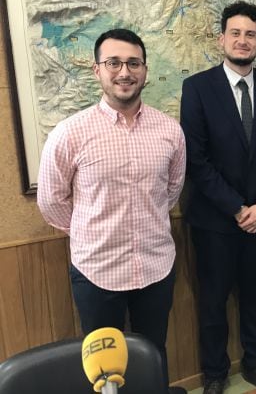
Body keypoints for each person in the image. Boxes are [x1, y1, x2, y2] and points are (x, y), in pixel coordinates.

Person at [37, 29, 186, 384]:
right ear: (97, 70)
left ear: (145, 70)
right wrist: (90, 232)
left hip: (155, 267)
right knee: (104, 371)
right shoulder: (70, 133)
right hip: (97, 272)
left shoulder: (170, 131)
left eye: (133, 63)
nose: (124, 72)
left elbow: (171, 190)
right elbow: (51, 200)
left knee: (153, 354)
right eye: (114, 63)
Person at [180, 1, 256, 394]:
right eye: (236, 33)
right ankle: (213, 374)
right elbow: (197, 159)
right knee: (212, 304)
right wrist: (236, 207)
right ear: (221, 39)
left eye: (250, 34)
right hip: (215, 221)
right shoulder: (196, 88)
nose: (243, 40)